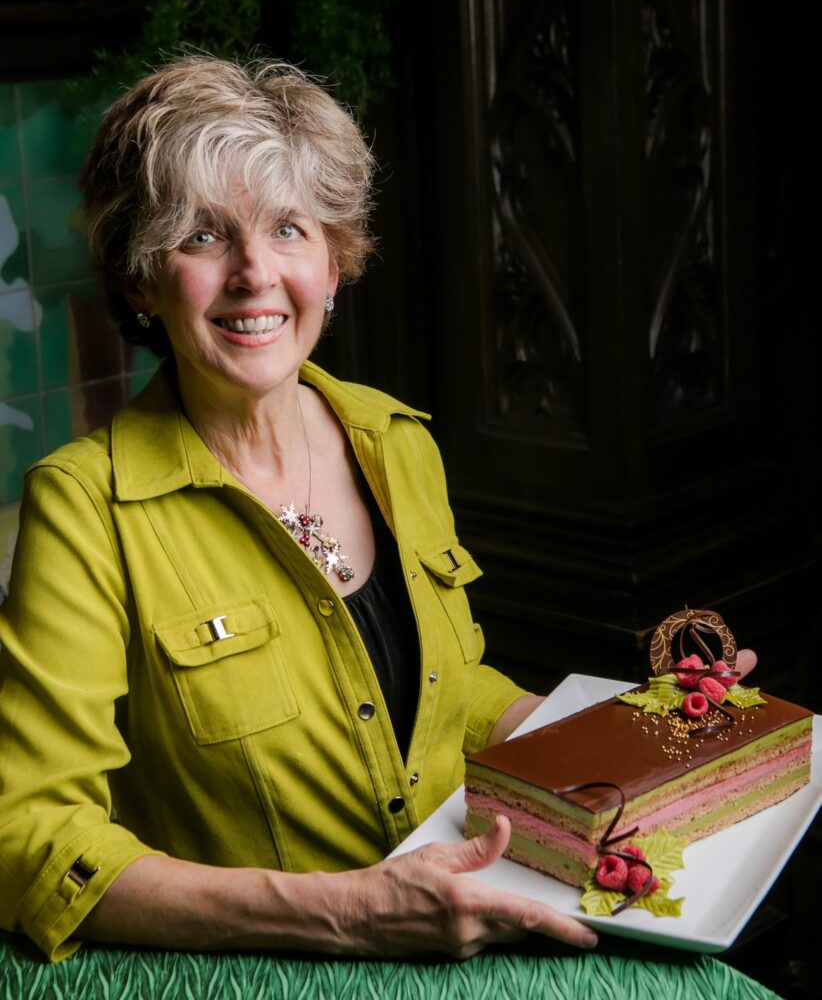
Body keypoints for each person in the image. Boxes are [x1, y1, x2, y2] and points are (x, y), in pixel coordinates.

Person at [0, 56, 598, 963]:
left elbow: (448, 696)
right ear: (139, 279)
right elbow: (31, 839)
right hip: (270, 972)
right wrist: (348, 913)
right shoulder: (84, 511)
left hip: (474, 923)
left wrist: (648, 731)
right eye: (201, 237)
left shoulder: (395, 441)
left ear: (336, 257)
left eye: (289, 228)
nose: (254, 273)